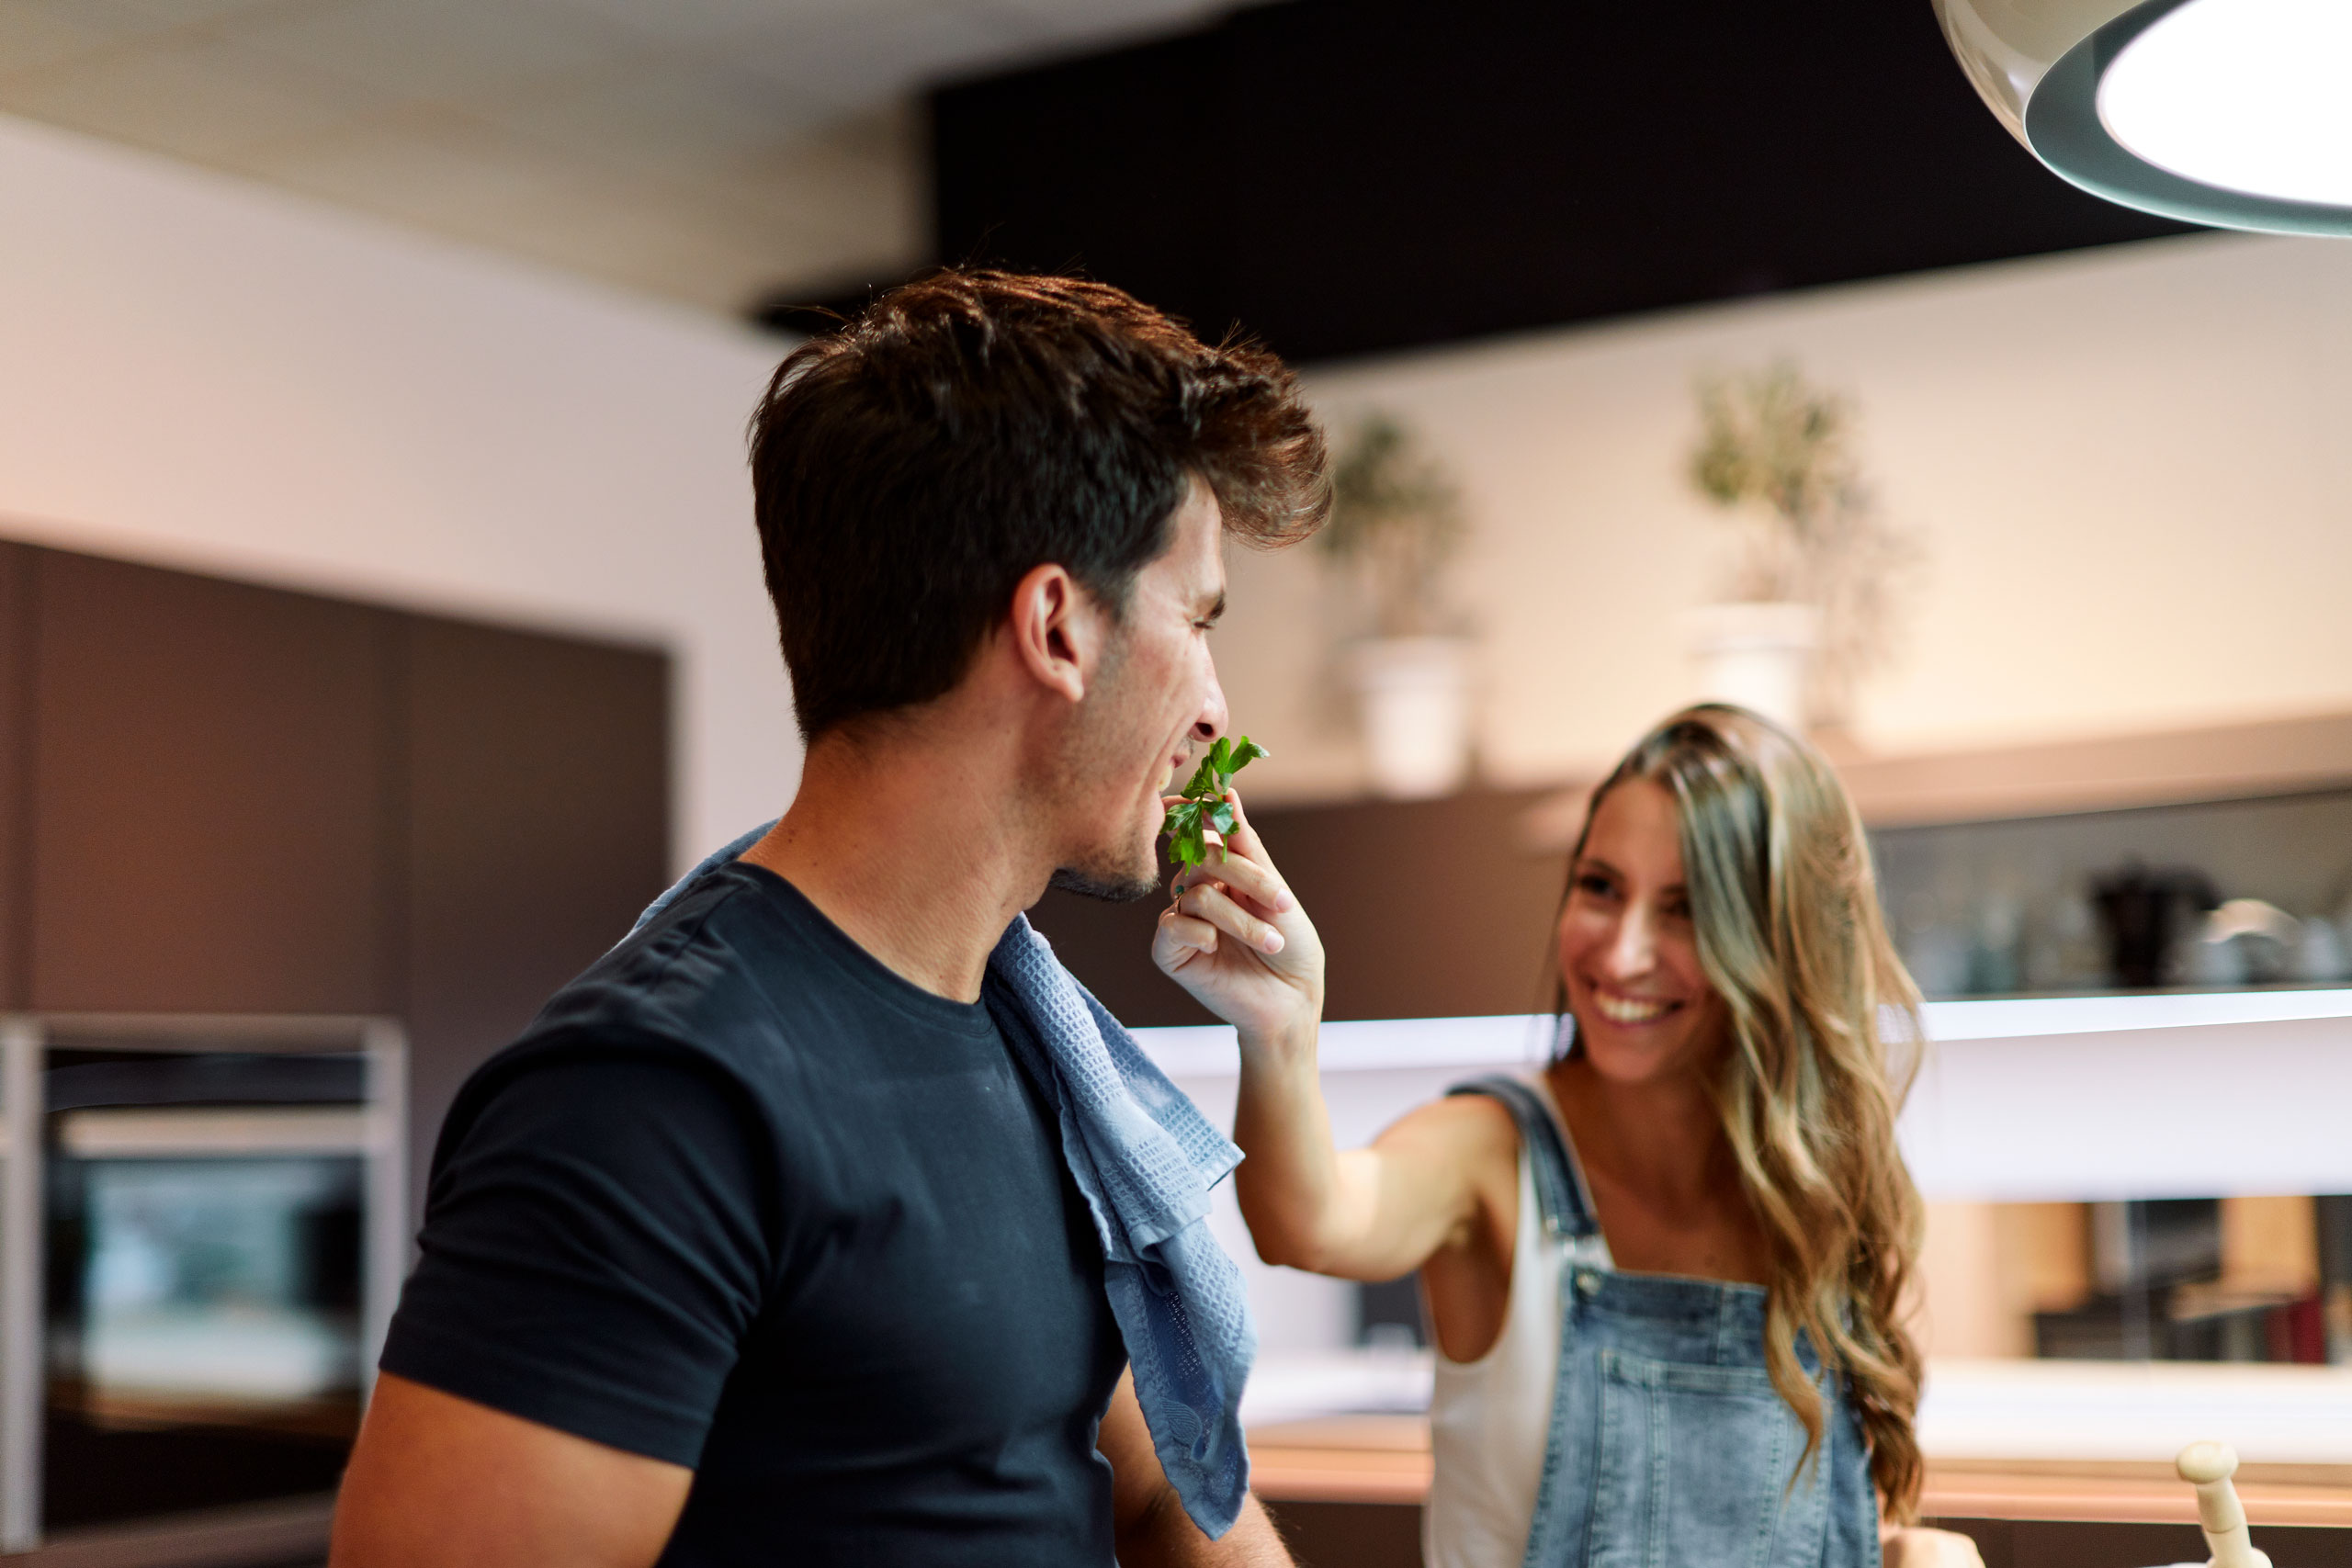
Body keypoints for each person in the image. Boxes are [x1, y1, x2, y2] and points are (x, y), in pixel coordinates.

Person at [330, 270, 1329, 1567]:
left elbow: (1162, 1498)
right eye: (1194, 617)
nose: (1211, 702)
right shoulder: (653, 1096)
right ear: (1056, 626)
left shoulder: (1038, 1045)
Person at [1153, 704, 1985, 1567]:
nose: (1622, 952)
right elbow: (1311, 1221)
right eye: (1600, 886)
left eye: (1685, 908)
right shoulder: (1494, 1149)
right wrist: (1281, 1028)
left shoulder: (1819, 1193)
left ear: (1777, 940)